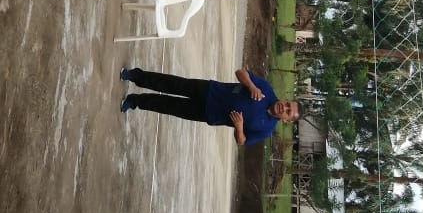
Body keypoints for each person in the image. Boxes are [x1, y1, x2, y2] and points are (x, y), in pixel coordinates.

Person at [119, 66, 302, 145]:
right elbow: (240, 72)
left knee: (169, 106)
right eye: (287, 104)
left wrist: (239, 128)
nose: (284, 108)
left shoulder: (266, 129)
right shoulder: (266, 89)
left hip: (209, 114)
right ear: (286, 100)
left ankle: (135, 101)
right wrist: (252, 86)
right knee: (172, 84)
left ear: (286, 120)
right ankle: (134, 76)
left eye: (288, 112)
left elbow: (242, 141)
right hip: (210, 90)